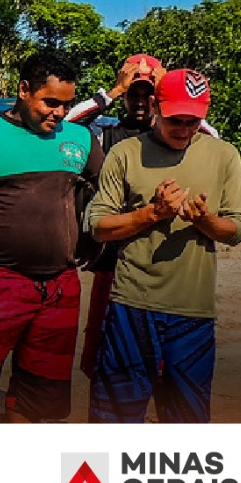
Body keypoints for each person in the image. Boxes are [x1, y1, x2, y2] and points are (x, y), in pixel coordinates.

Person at [0, 51, 103, 422]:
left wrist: (95, 244)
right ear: (24, 90)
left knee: (38, 401)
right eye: (50, 102)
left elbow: (106, 195)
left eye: (66, 104)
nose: (59, 113)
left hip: (59, 289)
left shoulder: (81, 140)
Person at [86, 68, 241, 423]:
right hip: (132, 305)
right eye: (176, 119)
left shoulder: (224, 156)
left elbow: (237, 230)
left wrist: (205, 221)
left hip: (194, 312)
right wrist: (152, 214)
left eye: (194, 121)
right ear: (156, 106)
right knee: (115, 413)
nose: (184, 129)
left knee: (187, 417)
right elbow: (97, 225)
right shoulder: (125, 152)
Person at [66, 54, 165, 377]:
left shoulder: (174, 136)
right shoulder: (104, 134)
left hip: (161, 262)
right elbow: (67, 123)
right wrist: (113, 90)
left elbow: (212, 136)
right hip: (111, 260)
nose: (140, 101)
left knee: (159, 357)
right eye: (133, 93)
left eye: (147, 94)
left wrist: (166, 91)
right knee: (102, 351)